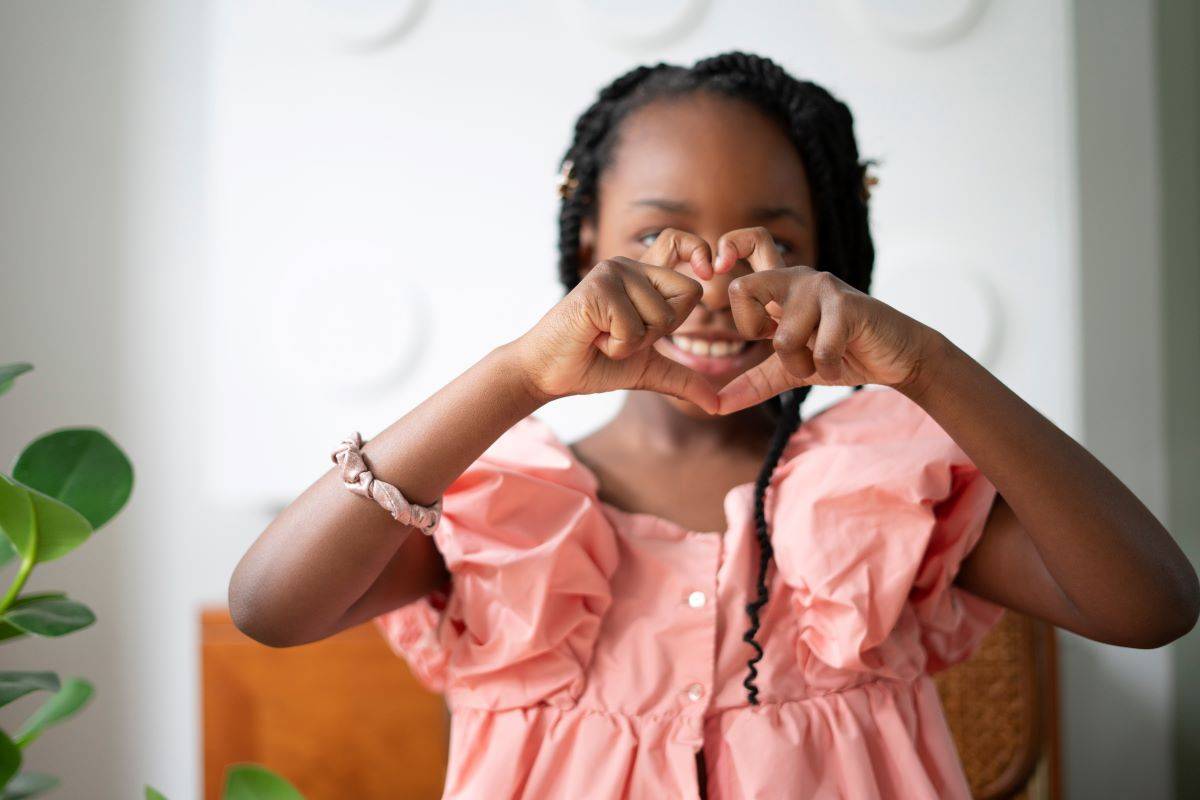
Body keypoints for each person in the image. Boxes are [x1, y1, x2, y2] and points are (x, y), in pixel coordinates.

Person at [228, 52, 1199, 799]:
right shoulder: (499, 502)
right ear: (585, 242)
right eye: (656, 235)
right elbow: (272, 607)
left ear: (833, 265)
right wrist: (521, 372)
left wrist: (928, 365)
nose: (717, 282)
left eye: (775, 239)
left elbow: (1152, 607)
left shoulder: (880, 492)